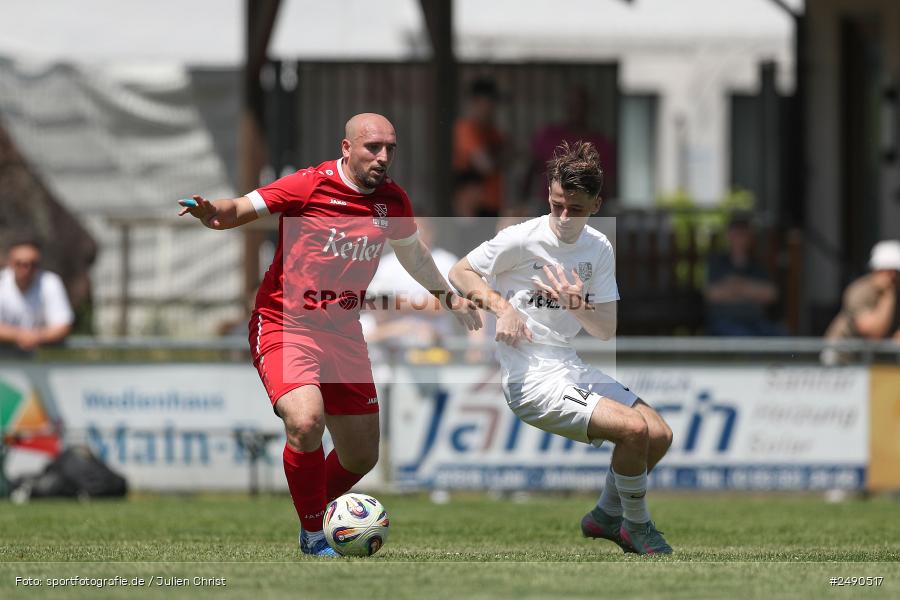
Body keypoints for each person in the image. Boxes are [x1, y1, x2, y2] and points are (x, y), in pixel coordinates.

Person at [179, 113, 482, 557]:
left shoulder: (392, 201)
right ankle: (313, 535)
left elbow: (414, 255)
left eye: (390, 149)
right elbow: (243, 207)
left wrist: (449, 297)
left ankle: (315, 509)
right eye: (372, 147)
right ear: (346, 148)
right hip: (286, 322)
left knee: (361, 456)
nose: (383, 157)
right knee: (305, 421)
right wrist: (213, 213)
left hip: (343, 332)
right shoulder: (308, 185)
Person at [449, 141, 674, 555]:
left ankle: (605, 517)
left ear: (597, 204)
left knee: (658, 434)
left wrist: (578, 304)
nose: (564, 218)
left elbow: (606, 330)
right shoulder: (521, 238)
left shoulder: (599, 248)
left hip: (568, 365)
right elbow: (460, 271)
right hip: (531, 379)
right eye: (556, 205)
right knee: (633, 429)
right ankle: (637, 528)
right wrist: (502, 308)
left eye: (576, 209)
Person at [521, 86, 616, 212]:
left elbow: (607, 183)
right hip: (548, 206)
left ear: (588, 107)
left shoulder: (601, 142)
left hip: (583, 208)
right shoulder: (548, 135)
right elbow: (531, 169)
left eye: (580, 104)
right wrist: (522, 200)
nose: (576, 109)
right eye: (572, 104)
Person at [822, 240, 900, 365]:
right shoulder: (859, 291)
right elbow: (874, 333)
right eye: (887, 271)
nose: (892, 278)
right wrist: (888, 296)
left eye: (896, 272)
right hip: (842, 358)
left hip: (872, 360)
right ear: (875, 270)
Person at [703, 214, 782, 336]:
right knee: (744, 337)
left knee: (781, 336)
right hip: (726, 321)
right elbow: (712, 294)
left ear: (750, 237)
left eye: (743, 234)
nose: (739, 239)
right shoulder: (718, 263)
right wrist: (752, 291)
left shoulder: (757, 265)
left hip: (756, 321)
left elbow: (771, 294)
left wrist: (737, 286)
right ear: (728, 235)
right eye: (736, 234)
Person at [0, 236, 73, 357]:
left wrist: (36, 337)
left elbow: (63, 325)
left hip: (41, 361)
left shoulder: (50, 282)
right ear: (10, 263)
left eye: (32, 264)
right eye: (20, 264)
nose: (26, 269)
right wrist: (20, 336)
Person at [453, 78, 506, 217]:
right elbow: (484, 165)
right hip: (471, 209)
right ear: (476, 102)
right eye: (488, 102)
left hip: (493, 205)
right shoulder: (465, 129)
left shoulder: (493, 133)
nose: (492, 107)